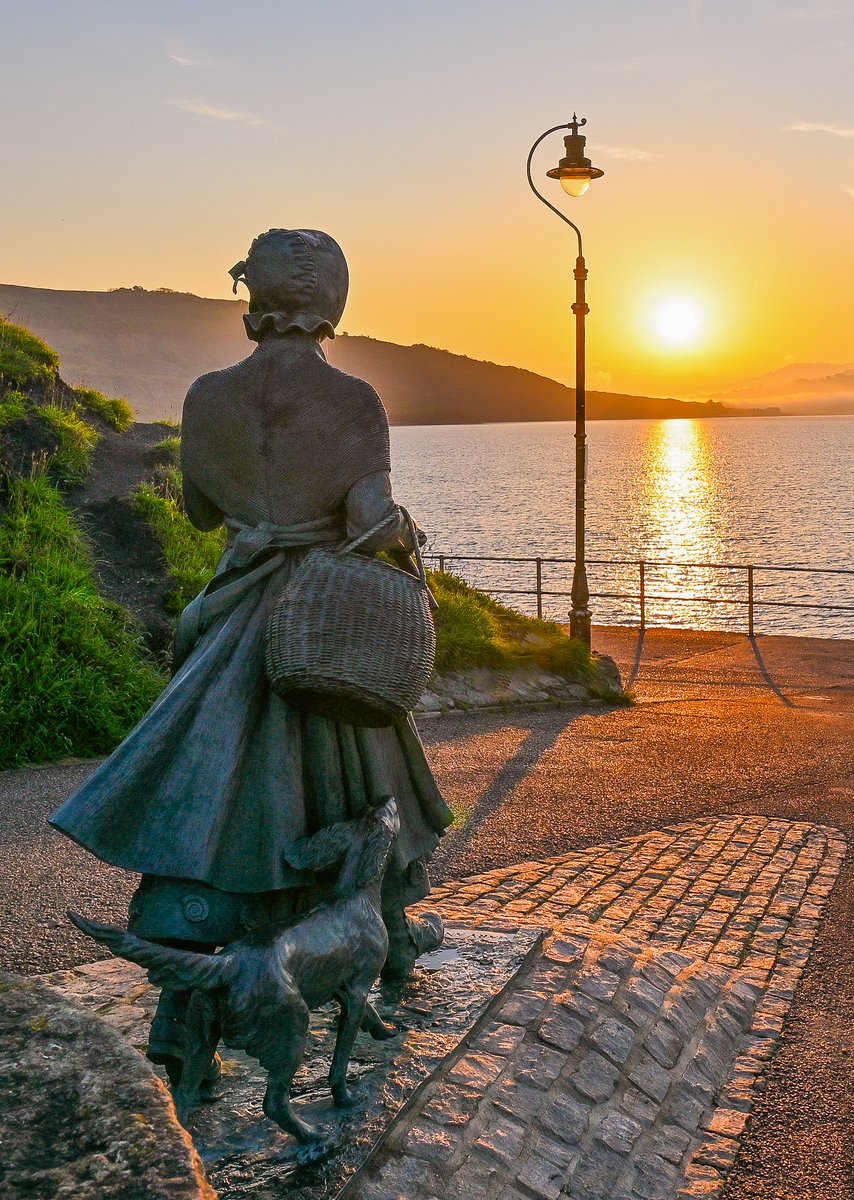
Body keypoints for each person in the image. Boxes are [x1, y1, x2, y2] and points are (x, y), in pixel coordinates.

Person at [51, 228, 452, 1077]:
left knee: (205, 790)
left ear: (253, 298)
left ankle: (182, 1003)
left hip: (230, 610)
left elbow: (200, 510)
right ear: (331, 301)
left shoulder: (207, 394)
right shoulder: (353, 399)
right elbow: (369, 519)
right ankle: (384, 942)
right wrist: (398, 531)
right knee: (362, 780)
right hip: (315, 619)